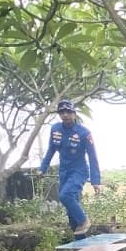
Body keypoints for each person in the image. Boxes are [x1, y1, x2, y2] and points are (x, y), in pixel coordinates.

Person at [37, 99, 102, 236]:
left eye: (68, 112)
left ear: (74, 113)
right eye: (62, 112)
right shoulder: (55, 129)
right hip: (64, 172)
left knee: (65, 196)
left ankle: (84, 220)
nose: (65, 115)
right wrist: (42, 168)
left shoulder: (84, 133)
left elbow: (93, 157)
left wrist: (96, 181)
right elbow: (51, 150)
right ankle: (79, 243)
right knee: (71, 211)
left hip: (79, 171)